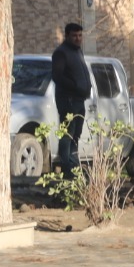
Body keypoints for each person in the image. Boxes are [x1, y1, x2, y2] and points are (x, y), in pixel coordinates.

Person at [51, 22, 90, 177]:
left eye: (80, 35)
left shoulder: (78, 52)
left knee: (76, 135)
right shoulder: (61, 53)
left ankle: (74, 168)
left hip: (79, 100)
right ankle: (67, 170)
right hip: (68, 100)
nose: (78, 38)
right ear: (67, 36)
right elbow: (57, 76)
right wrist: (75, 86)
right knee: (67, 135)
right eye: (74, 36)